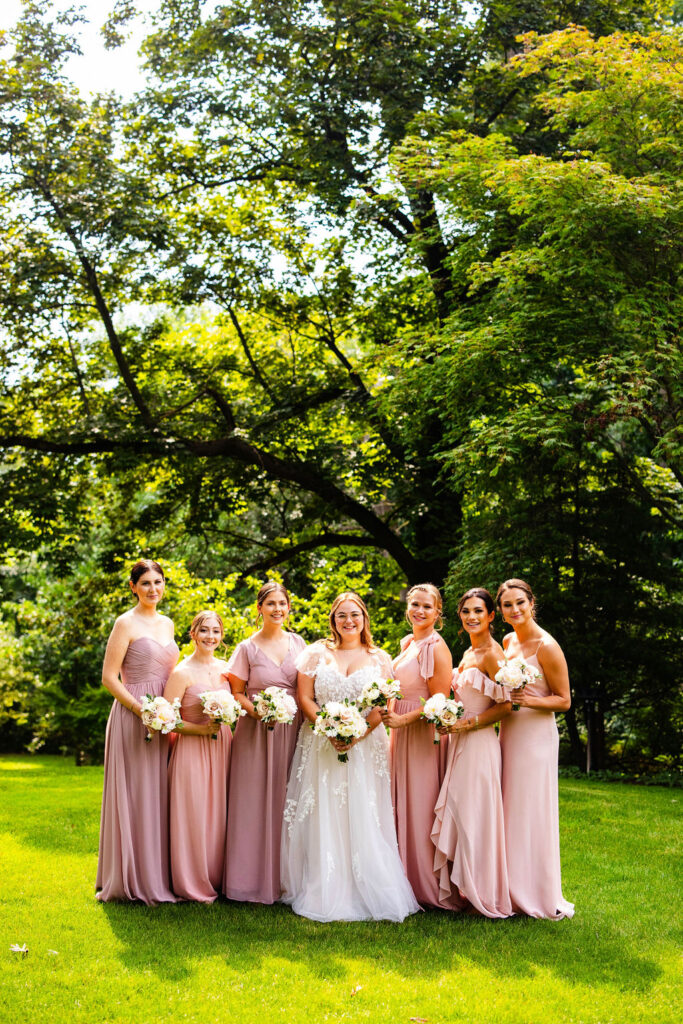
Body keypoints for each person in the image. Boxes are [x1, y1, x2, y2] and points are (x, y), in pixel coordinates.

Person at [281, 592, 419, 922]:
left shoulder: (380, 658)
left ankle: (368, 884)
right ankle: (323, 883)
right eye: (341, 615)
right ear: (333, 619)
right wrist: (330, 729)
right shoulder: (315, 653)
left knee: (363, 811)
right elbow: (305, 697)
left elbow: (384, 704)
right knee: (324, 811)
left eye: (354, 614)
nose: (348, 621)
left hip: (366, 745)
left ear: (364, 618)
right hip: (320, 743)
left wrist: (355, 735)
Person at [96, 559, 178, 903]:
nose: (153, 589)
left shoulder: (169, 623)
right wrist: (139, 709)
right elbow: (108, 678)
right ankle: (131, 877)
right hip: (133, 717)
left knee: (160, 793)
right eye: (145, 583)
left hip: (165, 717)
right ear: (133, 587)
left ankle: (158, 874)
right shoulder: (124, 623)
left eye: (158, 582)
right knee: (136, 792)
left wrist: (168, 711)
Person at [431, 588, 513, 917]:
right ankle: (465, 889)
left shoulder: (492, 654)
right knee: (461, 810)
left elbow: (506, 706)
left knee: (474, 815)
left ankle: (482, 894)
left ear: (491, 616)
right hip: (459, 740)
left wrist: (468, 725)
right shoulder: (467, 652)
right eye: (466, 611)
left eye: (478, 611)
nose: (471, 617)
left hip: (479, 743)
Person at [222, 582, 306, 903]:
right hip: (256, 733)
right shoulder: (246, 648)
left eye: (282, 604)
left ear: (289, 607)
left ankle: (286, 880)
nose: (277, 609)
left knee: (289, 800)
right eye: (270, 604)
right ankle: (249, 881)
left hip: (293, 729)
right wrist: (259, 712)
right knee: (253, 801)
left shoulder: (299, 643)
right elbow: (237, 692)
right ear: (259, 608)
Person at [496, 578, 575, 919]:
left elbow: (565, 701)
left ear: (532, 603)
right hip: (509, 733)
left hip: (536, 738)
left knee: (531, 809)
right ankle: (507, 887)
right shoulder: (508, 640)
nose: (514, 609)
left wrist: (530, 699)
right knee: (509, 808)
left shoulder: (547, 646)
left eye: (519, 603)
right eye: (507, 605)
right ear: (500, 611)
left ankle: (534, 892)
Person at [379, 583, 452, 908]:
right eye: (415, 605)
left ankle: (426, 885)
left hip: (421, 734)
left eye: (427, 606)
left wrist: (403, 721)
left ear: (438, 612)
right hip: (400, 730)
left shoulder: (436, 647)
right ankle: (402, 879)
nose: (419, 611)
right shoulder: (407, 642)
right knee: (400, 802)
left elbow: (440, 701)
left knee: (420, 806)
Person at [165, 611, 233, 902]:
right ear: (192, 634)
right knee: (193, 813)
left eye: (215, 631)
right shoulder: (181, 673)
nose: (210, 637)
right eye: (204, 631)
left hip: (224, 748)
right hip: (192, 748)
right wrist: (201, 731)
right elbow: (166, 720)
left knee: (221, 814)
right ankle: (191, 880)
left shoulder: (226, 669)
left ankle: (220, 877)